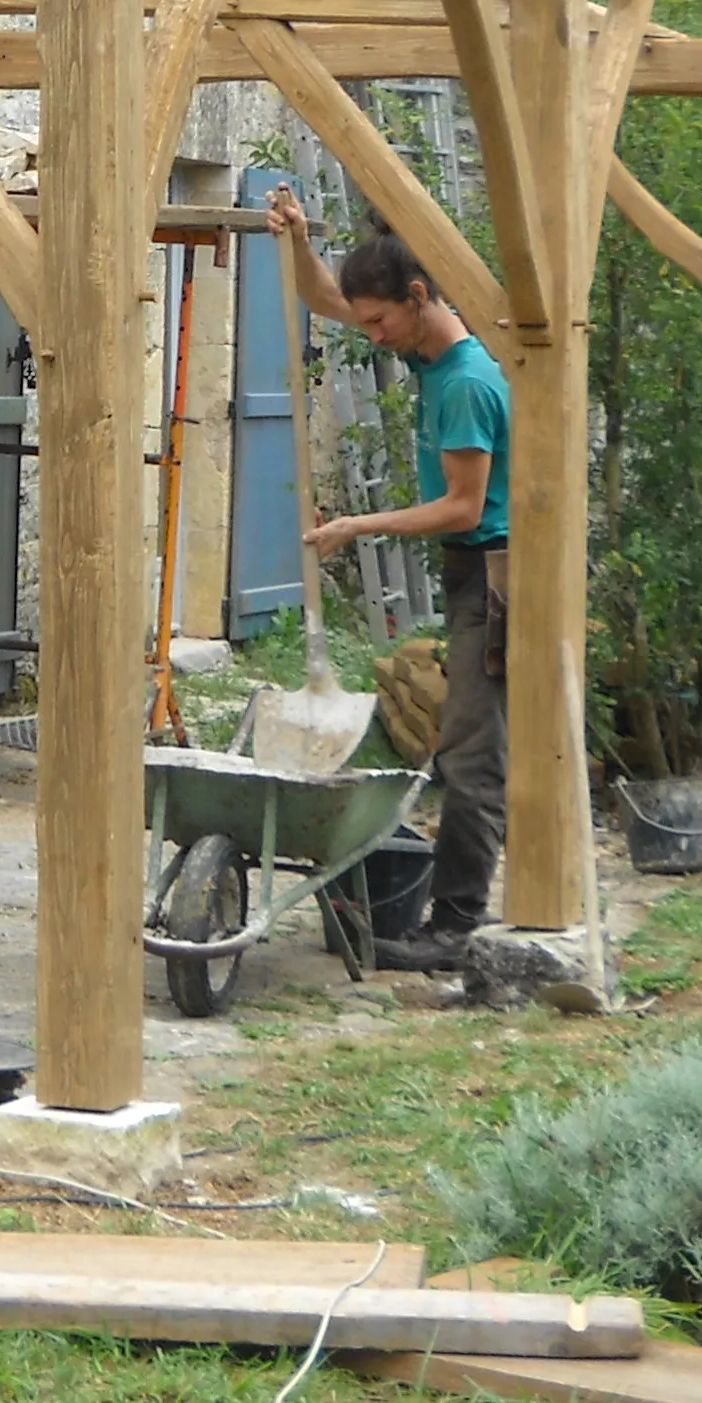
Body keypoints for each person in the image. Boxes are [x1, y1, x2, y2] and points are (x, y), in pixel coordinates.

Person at [264, 186, 511, 972]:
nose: (369, 334)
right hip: (474, 571)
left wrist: (356, 526)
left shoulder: (468, 381)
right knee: (471, 745)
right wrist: (300, 239)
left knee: (470, 757)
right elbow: (325, 298)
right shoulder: (421, 346)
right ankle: (451, 910)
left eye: (379, 322)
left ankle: (455, 928)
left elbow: (463, 507)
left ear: (418, 297)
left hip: (502, 575)